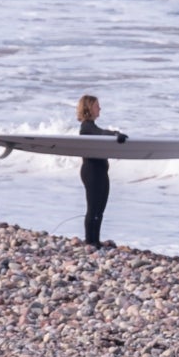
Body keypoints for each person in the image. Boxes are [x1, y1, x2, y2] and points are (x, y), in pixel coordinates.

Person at [75, 94, 127, 246]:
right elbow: (102, 134)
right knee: (94, 208)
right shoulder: (86, 127)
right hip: (92, 172)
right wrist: (115, 134)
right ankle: (90, 241)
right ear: (89, 108)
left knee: (100, 209)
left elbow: (101, 132)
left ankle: (95, 239)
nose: (100, 108)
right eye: (97, 105)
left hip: (99, 172)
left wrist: (114, 135)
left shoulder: (92, 127)